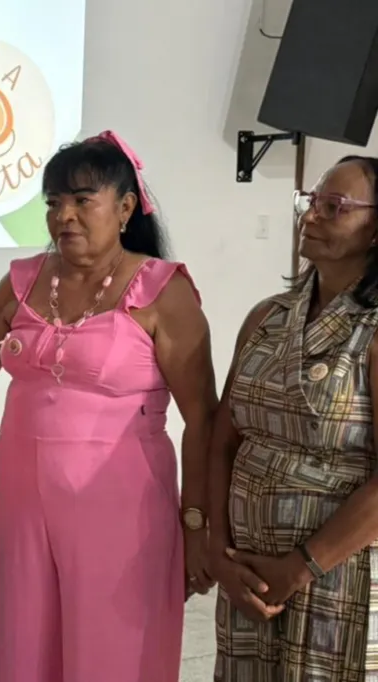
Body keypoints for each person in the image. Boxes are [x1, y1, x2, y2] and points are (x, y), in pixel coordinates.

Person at [0, 131, 217, 682]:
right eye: (53, 202)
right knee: (27, 640)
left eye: (82, 200)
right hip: (24, 503)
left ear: (125, 207)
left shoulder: (162, 290)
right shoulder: (22, 281)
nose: (63, 215)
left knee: (111, 648)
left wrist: (196, 524)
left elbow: (203, 420)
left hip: (123, 506)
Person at [209, 156, 378, 681]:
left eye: (335, 207)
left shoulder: (373, 332)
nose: (311, 216)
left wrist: (300, 566)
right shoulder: (267, 317)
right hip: (248, 570)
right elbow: (223, 441)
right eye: (312, 201)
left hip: (336, 571)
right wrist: (218, 551)